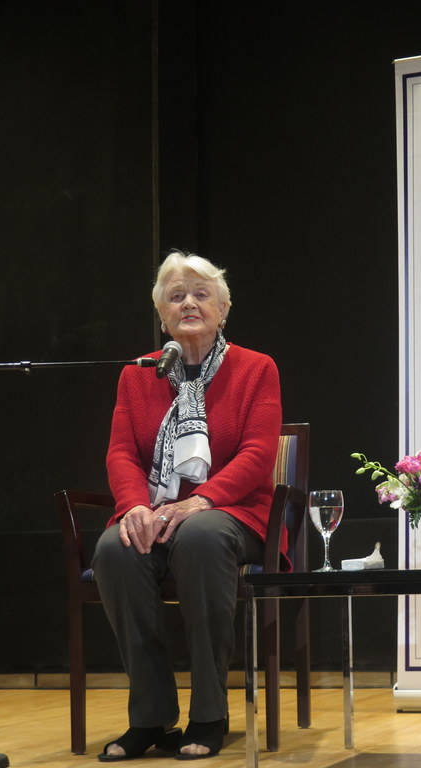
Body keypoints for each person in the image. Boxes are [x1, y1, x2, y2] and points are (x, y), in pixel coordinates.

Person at [92, 250, 283, 761]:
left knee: (200, 537)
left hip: (234, 512)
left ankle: (209, 714)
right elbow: (120, 452)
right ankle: (151, 718)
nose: (189, 303)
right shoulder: (138, 374)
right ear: (161, 313)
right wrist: (133, 505)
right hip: (157, 511)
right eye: (176, 295)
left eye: (201, 294)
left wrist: (202, 500)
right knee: (115, 548)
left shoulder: (255, 368)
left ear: (223, 309)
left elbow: (259, 453)